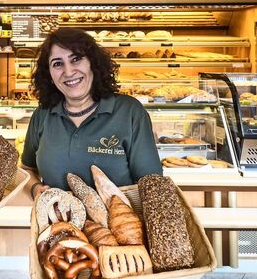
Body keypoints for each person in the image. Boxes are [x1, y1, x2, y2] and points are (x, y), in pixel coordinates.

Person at [21, 28, 162, 198]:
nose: (68, 71)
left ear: (92, 63)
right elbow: (27, 169)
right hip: (59, 223)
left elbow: (153, 185)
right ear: (49, 75)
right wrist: (35, 188)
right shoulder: (43, 114)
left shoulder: (129, 112)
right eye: (57, 63)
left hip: (120, 223)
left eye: (76, 59)